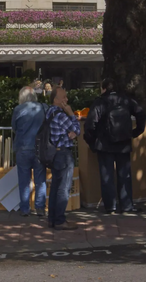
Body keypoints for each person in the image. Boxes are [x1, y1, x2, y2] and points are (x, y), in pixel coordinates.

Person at [84, 78, 146, 214]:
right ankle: (127, 205)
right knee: (125, 175)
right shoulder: (126, 100)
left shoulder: (100, 102)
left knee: (107, 177)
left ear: (104, 88)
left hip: (104, 144)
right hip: (123, 142)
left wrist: (91, 140)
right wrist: (136, 132)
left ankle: (110, 206)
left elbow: (90, 123)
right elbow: (141, 113)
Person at [46, 86, 80, 230]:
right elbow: (76, 129)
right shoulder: (61, 115)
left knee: (55, 186)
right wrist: (71, 113)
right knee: (63, 188)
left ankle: (52, 218)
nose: (66, 99)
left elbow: (73, 132)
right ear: (56, 99)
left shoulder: (49, 112)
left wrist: (73, 132)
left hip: (54, 153)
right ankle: (59, 220)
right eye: (64, 97)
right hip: (63, 153)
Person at [12, 86, 47, 217]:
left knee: (24, 180)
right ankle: (40, 208)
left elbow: (14, 127)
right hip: (39, 148)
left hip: (23, 148)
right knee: (40, 180)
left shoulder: (18, 109)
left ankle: (25, 208)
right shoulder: (43, 107)